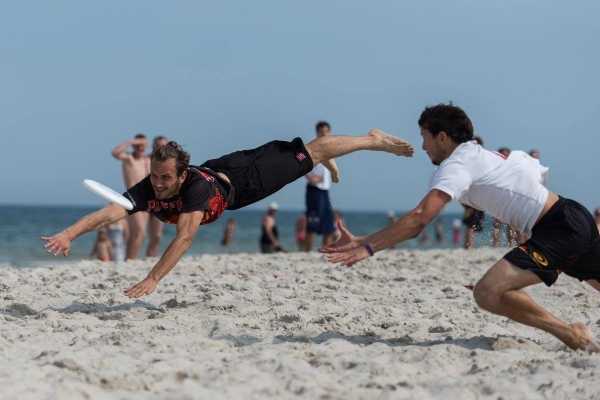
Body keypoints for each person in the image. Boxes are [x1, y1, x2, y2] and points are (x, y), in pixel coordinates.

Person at [324, 103, 600, 351]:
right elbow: (530, 173)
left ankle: (571, 334)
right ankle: (571, 333)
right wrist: (365, 238)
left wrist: (368, 247)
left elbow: (420, 218)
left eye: (425, 137)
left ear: (442, 137)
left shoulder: (458, 163)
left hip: (558, 229)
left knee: (487, 292)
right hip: (572, 214)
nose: (423, 147)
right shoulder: (480, 154)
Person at [42, 129, 413, 298]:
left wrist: (153, 279)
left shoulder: (194, 189)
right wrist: (69, 235)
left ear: (181, 174)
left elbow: (185, 237)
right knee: (310, 156)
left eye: (165, 178)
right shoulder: (149, 184)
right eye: (154, 177)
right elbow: (111, 212)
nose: (157, 184)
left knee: (311, 152)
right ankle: (331, 154)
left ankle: (371, 140)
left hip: (248, 181)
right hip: (223, 170)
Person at [111, 133, 151, 260]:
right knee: (139, 231)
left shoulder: (148, 160)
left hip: (146, 199)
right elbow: (115, 152)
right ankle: (130, 259)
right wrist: (131, 142)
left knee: (137, 234)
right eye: (138, 145)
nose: (141, 148)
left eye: (143, 145)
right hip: (132, 198)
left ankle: (130, 259)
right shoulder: (129, 159)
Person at [304, 121, 338, 251]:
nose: (324, 134)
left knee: (328, 223)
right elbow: (301, 160)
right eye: (322, 132)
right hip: (314, 189)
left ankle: (325, 250)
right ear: (317, 132)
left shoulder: (333, 147)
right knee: (312, 222)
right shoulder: (311, 146)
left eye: (326, 132)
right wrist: (310, 177)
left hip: (325, 189)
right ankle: (306, 252)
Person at [146, 136, 170, 256]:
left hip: (159, 201)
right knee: (137, 234)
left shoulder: (170, 162)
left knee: (157, 236)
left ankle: (150, 258)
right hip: (143, 201)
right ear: (153, 146)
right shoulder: (146, 160)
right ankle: (130, 258)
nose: (161, 148)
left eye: (164, 146)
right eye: (158, 146)